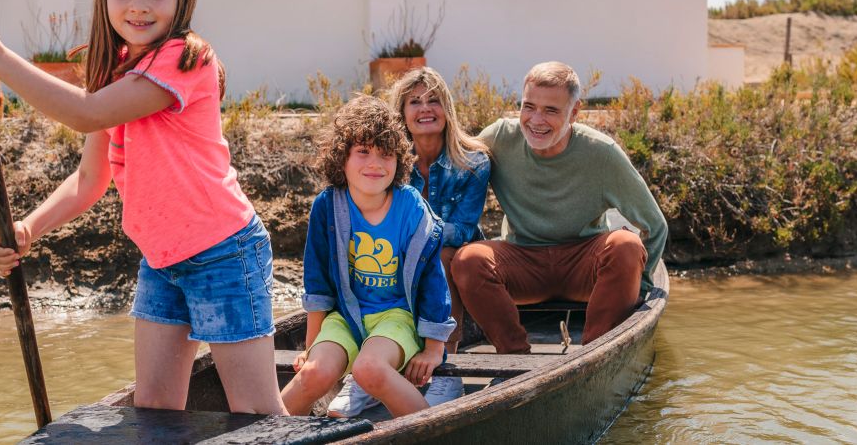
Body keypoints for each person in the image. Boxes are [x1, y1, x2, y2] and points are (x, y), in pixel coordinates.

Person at [0, 0, 287, 415]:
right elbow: (89, 181)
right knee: (154, 411)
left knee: (256, 416)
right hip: (161, 260)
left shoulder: (186, 59)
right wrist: (27, 228)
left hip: (223, 254)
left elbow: (86, 112)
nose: (138, 5)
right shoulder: (113, 68)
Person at [451, 61, 667, 354]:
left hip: (584, 263)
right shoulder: (500, 138)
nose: (536, 120)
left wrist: (639, 288)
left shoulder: (601, 153)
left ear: (574, 112)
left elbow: (655, 226)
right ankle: (514, 358)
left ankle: (594, 354)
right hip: (522, 261)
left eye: (551, 110)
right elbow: (453, 163)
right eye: (529, 106)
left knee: (626, 245)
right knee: (467, 260)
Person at [280, 96, 455, 419]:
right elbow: (317, 281)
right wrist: (311, 346)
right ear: (341, 160)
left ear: (398, 161)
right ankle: (262, 437)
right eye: (363, 152)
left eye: (385, 154)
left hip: (396, 317)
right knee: (314, 373)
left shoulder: (411, 208)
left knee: (369, 369)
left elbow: (433, 280)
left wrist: (433, 347)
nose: (375, 163)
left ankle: (437, 432)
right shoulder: (328, 205)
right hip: (346, 316)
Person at [326, 68, 491, 412]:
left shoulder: (474, 162)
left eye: (433, 100)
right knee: (364, 252)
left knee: (440, 253)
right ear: (401, 113)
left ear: (447, 109)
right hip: (390, 258)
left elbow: (461, 229)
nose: (424, 108)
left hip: (453, 257)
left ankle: (445, 366)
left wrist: (413, 236)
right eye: (414, 102)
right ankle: (367, 373)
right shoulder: (388, 161)